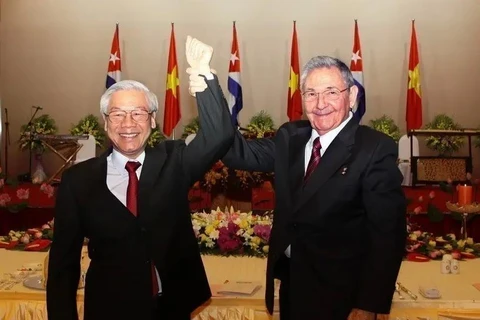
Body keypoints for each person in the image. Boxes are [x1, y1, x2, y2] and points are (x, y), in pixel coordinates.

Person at [189, 55, 406, 320]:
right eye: (311, 93)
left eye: (331, 92)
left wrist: (369, 304)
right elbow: (236, 152)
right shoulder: (291, 137)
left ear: (352, 97)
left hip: (344, 296)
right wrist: (209, 88)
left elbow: (388, 233)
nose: (320, 104)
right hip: (293, 287)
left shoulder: (374, 148)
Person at [46, 36, 234, 320]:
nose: (128, 124)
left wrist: (203, 76)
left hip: (171, 307)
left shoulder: (175, 161)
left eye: (138, 113)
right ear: (106, 122)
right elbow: (63, 264)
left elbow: (219, 136)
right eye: (118, 114)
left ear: (153, 120)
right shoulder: (78, 181)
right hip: (108, 309)